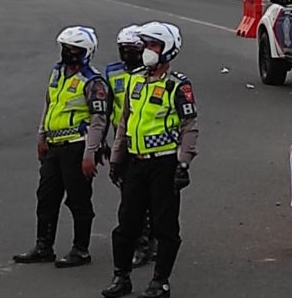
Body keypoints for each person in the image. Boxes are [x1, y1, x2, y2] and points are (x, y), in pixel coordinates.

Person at [102, 22, 199, 298]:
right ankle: (121, 277)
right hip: (135, 162)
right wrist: (117, 159)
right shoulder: (134, 80)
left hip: (164, 164)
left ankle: (160, 282)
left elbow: (189, 126)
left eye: (153, 46)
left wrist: (183, 163)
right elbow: (124, 123)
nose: (147, 51)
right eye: (145, 45)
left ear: (167, 50)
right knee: (126, 224)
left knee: (165, 226)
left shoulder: (177, 86)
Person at [13, 26, 110, 268]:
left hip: (77, 147)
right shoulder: (57, 73)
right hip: (54, 146)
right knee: (46, 197)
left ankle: (81, 249)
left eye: (74, 49)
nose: (68, 53)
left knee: (78, 200)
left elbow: (99, 120)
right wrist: (41, 137)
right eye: (65, 48)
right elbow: (49, 105)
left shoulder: (93, 82)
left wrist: (90, 154)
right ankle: (44, 246)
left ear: (86, 52)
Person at [105, 26, 158, 268]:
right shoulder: (112, 73)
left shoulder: (152, 73)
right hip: (123, 142)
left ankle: (149, 242)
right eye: (123, 50)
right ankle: (139, 243)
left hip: (150, 144)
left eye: (133, 50)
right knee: (130, 200)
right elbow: (106, 110)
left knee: (154, 199)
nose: (128, 55)